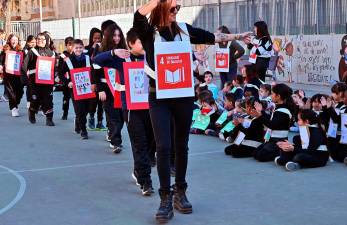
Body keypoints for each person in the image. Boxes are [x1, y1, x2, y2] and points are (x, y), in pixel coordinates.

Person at [134, 0, 251, 222]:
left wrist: (237, 36)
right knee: (163, 146)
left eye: (178, 8)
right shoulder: (149, 32)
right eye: (172, 8)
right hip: (158, 96)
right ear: (161, 8)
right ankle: (165, 198)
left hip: (183, 95)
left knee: (181, 145)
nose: (176, 12)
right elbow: (138, 16)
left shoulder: (185, 30)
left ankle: (181, 191)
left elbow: (213, 37)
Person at [94, 27, 156, 196]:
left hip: (152, 108)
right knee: (139, 144)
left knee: (151, 144)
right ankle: (145, 181)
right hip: (131, 108)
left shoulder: (152, 57)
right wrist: (113, 53)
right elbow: (97, 60)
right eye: (141, 42)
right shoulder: (122, 60)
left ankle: (138, 171)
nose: (145, 45)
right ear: (130, 44)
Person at [93, 23, 128, 154]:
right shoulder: (101, 50)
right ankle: (116, 142)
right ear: (108, 36)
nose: (117, 38)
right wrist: (100, 89)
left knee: (122, 116)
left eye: (119, 35)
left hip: (121, 88)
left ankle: (112, 134)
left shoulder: (125, 50)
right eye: (114, 35)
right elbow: (95, 68)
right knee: (113, 116)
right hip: (106, 88)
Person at [60, 39, 94, 139]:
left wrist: (94, 83)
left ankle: (78, 120)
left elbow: (94, 72)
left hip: (88, 88)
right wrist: (67, 82)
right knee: (79, 109)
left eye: (80, 47)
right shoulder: (68, 60)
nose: (78, 49)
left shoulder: (88, 59)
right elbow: (61, 73)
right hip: (75, 89)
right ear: (72, 49)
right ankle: (84, 130)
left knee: (87, 108)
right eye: (76, 48)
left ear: (83, 48)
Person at [253, 83, 295, 162]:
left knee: (260, 156)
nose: (271, 96)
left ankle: (282, 151)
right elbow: (271, 120)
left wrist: (260, 116)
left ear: (278, 96)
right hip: (272, 139)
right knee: (255, 153)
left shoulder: (283, 111)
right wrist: (261, 111)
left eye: (272, 94)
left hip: (279, 140)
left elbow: (272, 125)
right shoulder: (278, 107)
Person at [22, 32, 56, 126]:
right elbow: (24, 65)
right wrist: (25, 78)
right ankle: (32, 111)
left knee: (48, 99)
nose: (40, 41)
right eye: (38, 39)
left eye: (42, 39)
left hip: (47, 81)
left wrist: (55, 80)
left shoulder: (52, 53)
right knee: (35, 99)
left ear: (47, 40)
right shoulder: (32, 51)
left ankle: (49, 118)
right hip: (34, 81)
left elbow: (55, 68)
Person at [85, 27, 106, 130]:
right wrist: (92, 48)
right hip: (91, 77)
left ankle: (100, 121)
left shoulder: (103, 48)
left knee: (101, 102)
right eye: (95, 38)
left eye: (99, 38)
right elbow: (86, 59)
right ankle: (91, 117)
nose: (97, 40)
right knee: (93, 101)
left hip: (101, 78)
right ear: (91, 38)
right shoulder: (86, 48)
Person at [0, 34, 24, 117]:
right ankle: (13, 108)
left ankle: (16, 103)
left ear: (18, 41)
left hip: (18, 74)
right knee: (11, 92)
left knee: (20, 91)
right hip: (8, 74)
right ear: (9, 40)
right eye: (12, 40)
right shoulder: (5, 49)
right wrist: (1, 66)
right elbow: (1, 60)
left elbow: (23, 62)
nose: (14, 41)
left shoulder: (21, 50)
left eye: (16, 40)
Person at [58, 36, 74, 120]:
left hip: (75, 79)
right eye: (69, 45)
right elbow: (60, 69)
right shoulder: (63, 56)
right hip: (67, 80)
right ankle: (65, 112)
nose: (71, 47)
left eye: (73, 45)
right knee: (66, 97)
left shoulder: (76, 54)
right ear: (66, 45)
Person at [22, 35, 36, 109]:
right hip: (28, 72)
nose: (33, 43)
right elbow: (24, 63)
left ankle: (36, 103)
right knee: (29, 87)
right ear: (27, 42)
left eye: (34, 42)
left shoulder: (37, 50)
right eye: (31, 42)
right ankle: (28, 101)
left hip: (36, 72)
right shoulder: (25, 51)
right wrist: (25, 71)